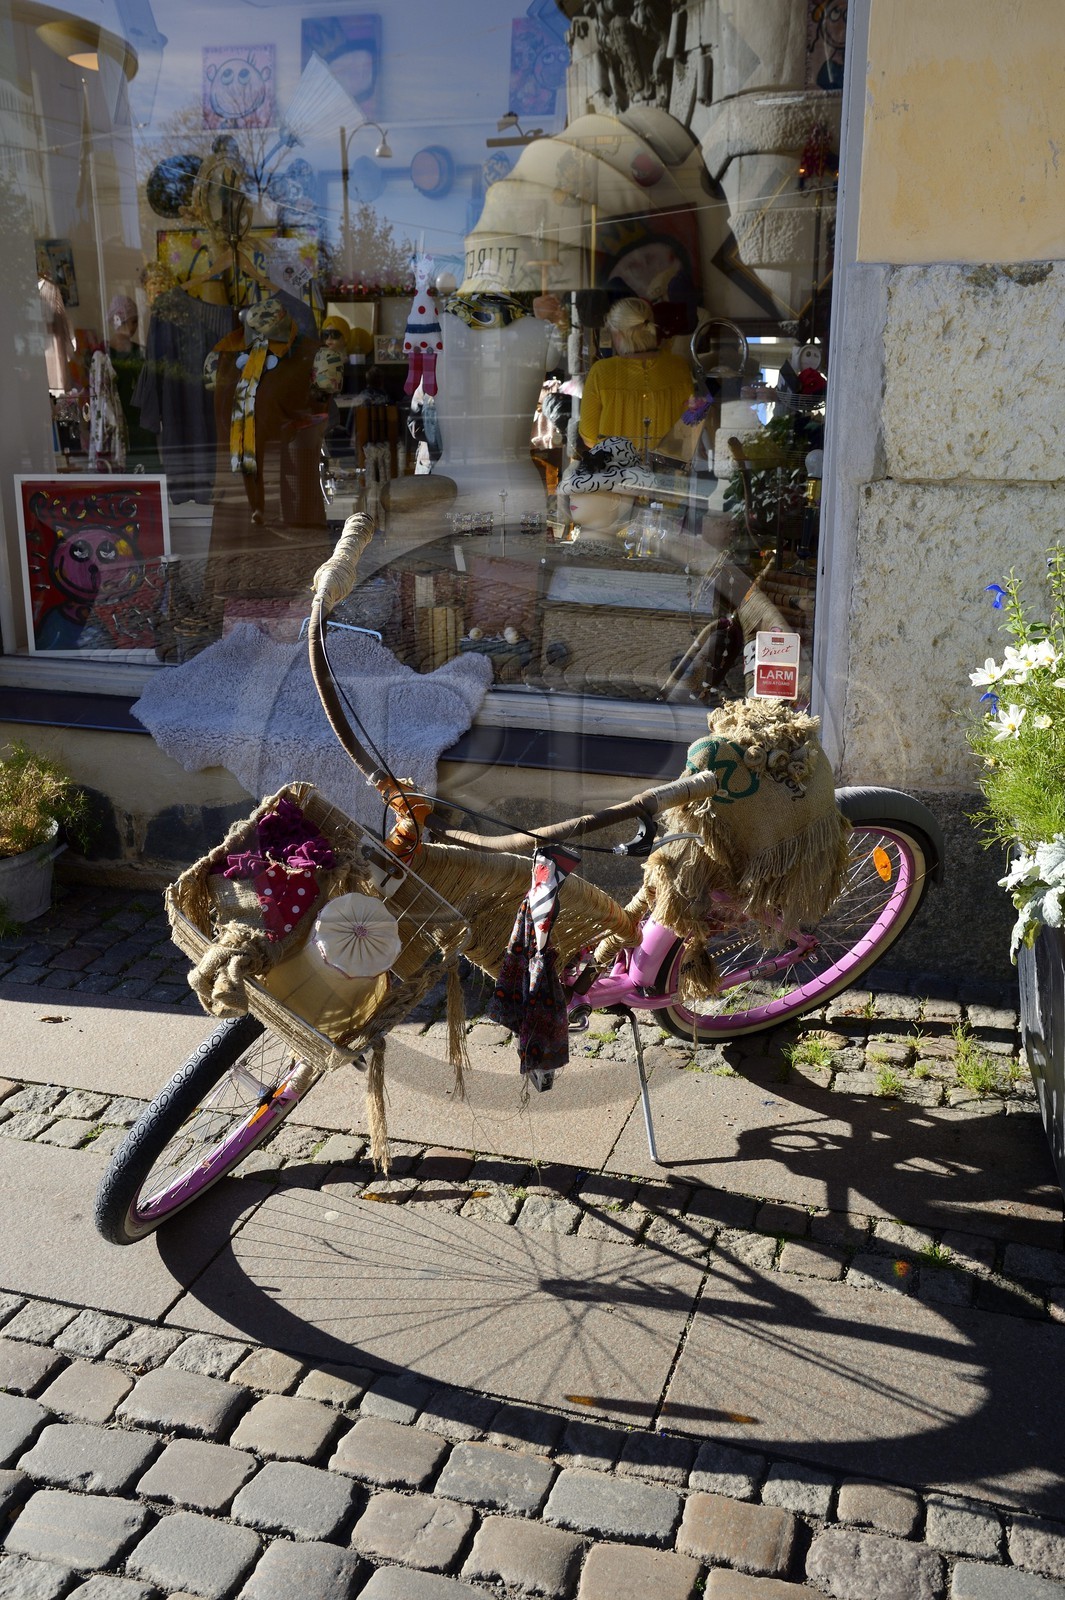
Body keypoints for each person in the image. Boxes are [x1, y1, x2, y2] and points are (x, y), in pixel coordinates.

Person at [577, 296, 692, 456]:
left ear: (619, 334)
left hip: (616, 474)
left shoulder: (602, 372)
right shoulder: (679, 367)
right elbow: (690, 425)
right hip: (666, 475)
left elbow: (589, 437)